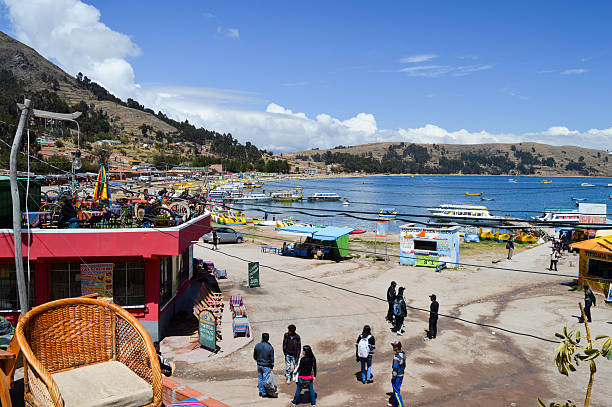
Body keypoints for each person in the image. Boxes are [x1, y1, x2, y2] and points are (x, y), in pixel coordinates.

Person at [253, 333, 274, 398]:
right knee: (265, 379)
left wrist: (258, 360)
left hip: (259, 365)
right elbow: (272, 358)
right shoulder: (270, 347)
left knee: (260, 378)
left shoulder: (257, 345)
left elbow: (255, 356)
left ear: (262, 338)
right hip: (266, 366)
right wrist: (272, 366)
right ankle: (264, 393)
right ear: (268, 339)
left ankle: (261, 391)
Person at [388, 341, 405, 407]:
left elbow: (395, 369)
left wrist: (393, 378)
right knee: (395, 390)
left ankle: (401, 405)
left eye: (394, 346)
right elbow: (404, 366)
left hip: (397, 376)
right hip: (401, 374)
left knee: (396, 391)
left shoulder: (396, 357)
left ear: (396, 348)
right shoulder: (403, 354)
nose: (393, 347)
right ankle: (395, 403)